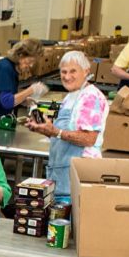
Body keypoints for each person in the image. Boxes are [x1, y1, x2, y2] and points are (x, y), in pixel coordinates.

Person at [25, 51, 109, 202]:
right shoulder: (71, 96)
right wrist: (43, 129)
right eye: (63, 72)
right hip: (62, 173)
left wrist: (55, 131)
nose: (67, 76)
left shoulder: (90, 96)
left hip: (78, 175)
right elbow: (62, 134)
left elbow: (89, 138)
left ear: (86, 72)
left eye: (73, 71)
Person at [0, 38, 47, 125]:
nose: (31, 65)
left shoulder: (12, 68)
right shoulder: (5, 68)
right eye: (29, 61)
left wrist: (23, 100)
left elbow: (2, 96)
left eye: (33, 62)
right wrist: (31, 90)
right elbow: (7, 102)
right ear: (20, 55)